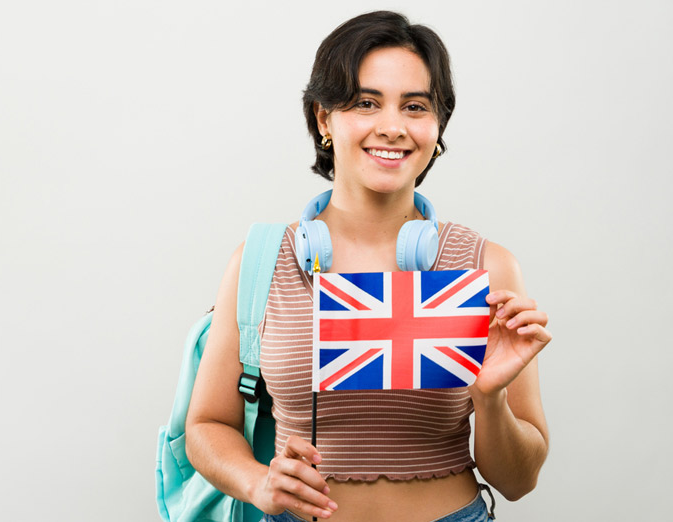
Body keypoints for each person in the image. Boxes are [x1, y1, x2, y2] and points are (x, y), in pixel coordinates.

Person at [186, 11, 550, 522]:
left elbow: (519, 481)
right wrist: (256, 482)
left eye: (415, 106)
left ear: (437, 125)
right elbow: (205, 425)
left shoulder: (487, 267)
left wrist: (490, 400)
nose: (393, 127)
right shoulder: (260, 263)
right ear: (323, 119)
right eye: (366, 102)